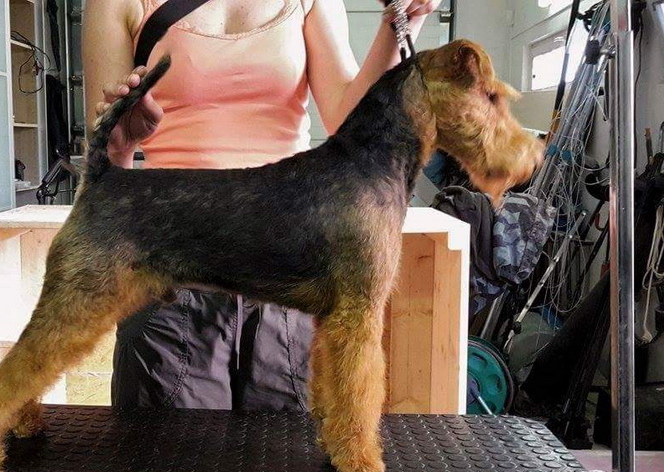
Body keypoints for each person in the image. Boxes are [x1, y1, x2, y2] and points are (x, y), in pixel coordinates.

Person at [83, 0, 441, 412]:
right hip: (169, 265)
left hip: (287, 265)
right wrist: (120, 143)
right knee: (167, 449)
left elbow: (351, 122)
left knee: (287, 449)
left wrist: (404, 20)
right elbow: (107, 159)